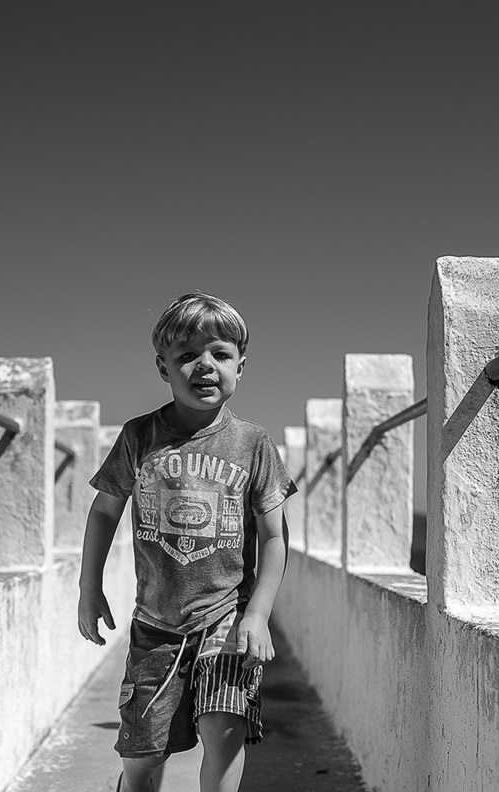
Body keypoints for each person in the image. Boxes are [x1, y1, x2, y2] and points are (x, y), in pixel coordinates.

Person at [78, 292, 296, 792]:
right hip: (155, 624)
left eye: (220, 354)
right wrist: (89, 588)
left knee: (225, 725)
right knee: (145, 753)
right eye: (186, 356)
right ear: (163, 367)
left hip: (226, 613)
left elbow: (275, 536)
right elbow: (104, 513)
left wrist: (258, 613)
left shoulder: (253, 444)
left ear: (241, 366)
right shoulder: (139, 436)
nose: (204, 366)